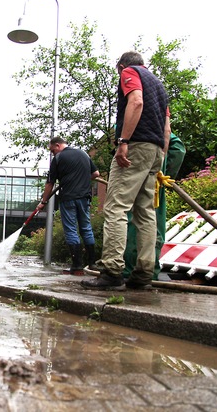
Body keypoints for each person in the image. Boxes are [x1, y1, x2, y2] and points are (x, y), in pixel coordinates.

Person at [82, 51, 170, 290]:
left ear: (121, 66)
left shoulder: (130, 73)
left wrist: (123, 141)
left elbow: (137, 101)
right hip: (154, 151)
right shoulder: (160, 87)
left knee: (116, 207)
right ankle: (144, 273)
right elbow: (166, 128)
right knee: (145, 211)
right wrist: (160, 158)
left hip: (135, 146)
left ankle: (112, 271)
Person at [123, 132, 185, 281]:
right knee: (154, 223)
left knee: (134, 223)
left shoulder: (132, 126)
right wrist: (166, 175)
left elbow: (178, 149)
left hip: (136, 180)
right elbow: (178, 150)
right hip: (156, 181)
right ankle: (151, 271)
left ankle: (130, 271)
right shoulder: (161, 129)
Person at [36, 136, 100, 275]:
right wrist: (81, 179)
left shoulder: (58, 159)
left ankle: (77, 266)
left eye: (53, 150)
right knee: (86, 227)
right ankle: (92, 264)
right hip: (84, 197)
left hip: (69, 198)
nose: (53, 153)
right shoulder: (83, 153)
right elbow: (95, 173)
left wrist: (43, 201)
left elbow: (50, 183)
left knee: (71, 230)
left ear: (58, 145)